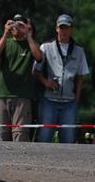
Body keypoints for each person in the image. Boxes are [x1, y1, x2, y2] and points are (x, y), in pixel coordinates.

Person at [32, 14, 89, 143]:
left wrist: (77, 99)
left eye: (66, 28)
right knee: (45, 137)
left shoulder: (79, 51)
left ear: (71, 29)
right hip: (48, 100)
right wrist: (46, 82)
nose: (63, 31)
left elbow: (80, 77)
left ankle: (67, 162)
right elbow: (36, 71)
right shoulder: (45, 47)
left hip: (70, 102)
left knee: (68, 139)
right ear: (56, 29)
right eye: (61, 28)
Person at [0, 14, 43, 142]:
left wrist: (28, 35)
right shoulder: (6, 43)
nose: (17, 28)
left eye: (20, 25)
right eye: (14, 24)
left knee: (20, 134)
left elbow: (39, 57)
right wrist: (5, 34)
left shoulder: (30, 44)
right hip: (3, 94)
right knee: (2, 134)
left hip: (22, 96)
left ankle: (20, 161)